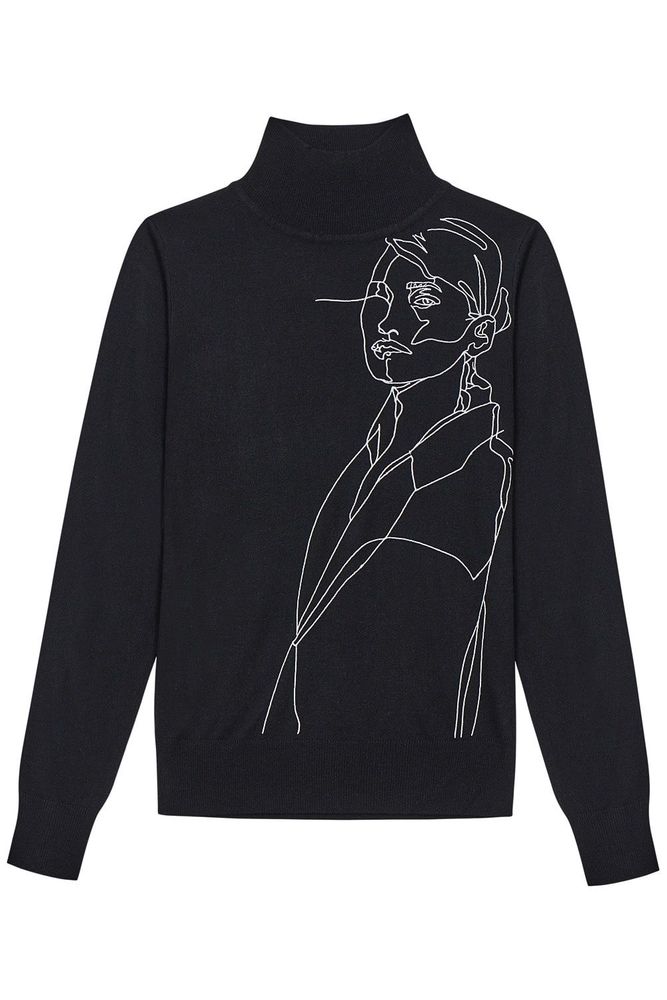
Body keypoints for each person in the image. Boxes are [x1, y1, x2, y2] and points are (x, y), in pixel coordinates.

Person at [262, 218, 512, 738]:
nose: (389, 322)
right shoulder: (373, 449)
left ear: (480, 333)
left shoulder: (482, 473)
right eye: (379, 296)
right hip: (289, 760)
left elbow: (570, 607)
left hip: (415, 769)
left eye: (422, 300)